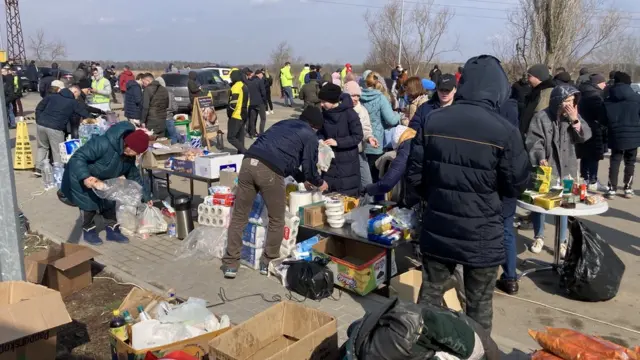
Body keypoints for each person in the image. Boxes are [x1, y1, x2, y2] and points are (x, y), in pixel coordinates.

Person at [407, 55, 530, 332]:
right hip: (482, 235)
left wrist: (438, 196)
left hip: (439, 227)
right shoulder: (505, 131)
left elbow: (414, 175)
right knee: (478, 307)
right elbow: (517, 184)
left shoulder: (433, 120)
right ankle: (477, 351)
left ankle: (420, 347)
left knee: (429, 298)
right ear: (499, 88)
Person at [222, 107, 328, 278]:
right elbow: (309, 168)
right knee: (277, 218)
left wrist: (302, 179)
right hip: (269, 172)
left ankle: (230, 264)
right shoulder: (310, 135)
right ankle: (268, 261)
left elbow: (289, 161)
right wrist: (319, 182)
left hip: (248, 162)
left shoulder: (283, 123)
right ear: (315, 126)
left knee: (239, 216)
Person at [526, 84, 592, 255]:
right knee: (542, 203)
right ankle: (539, 235)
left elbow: (585, 136)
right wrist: (540, 156)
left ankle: (562, 240)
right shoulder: (541, 117)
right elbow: (534, 140)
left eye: (573, 101)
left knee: (566, 203)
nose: (570, 105)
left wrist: (575, 120)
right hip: (547, 168)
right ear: (557, 101)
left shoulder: (573, 116)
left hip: (568, 168)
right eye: (567, 101)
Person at [60, 122, 151, 245]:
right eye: (137, 152)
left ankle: (113, 231)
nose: (138, 155)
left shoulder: (128, 156)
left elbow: (133, 175)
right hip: (80, 176)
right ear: (129, 146)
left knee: (109, 201)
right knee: (89, 205)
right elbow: (78, 157)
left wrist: (145, 196)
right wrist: (85, 177)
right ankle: (89, 231)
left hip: (102, 180)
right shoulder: (103, 143)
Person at [318, 83, 363, 196]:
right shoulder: (324, 114)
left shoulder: (349, 113)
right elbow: (320, 131)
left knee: (346, 195)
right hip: (329, 160)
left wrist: (338, 142)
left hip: (347, 162)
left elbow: (357, 136)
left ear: (333, 101)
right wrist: (320, 140)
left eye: (324, 101)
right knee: (329, 197)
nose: (321, 104)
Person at [34, 87, 91, 176]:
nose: (77, 97)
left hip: (41, 125)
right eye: (77, 95)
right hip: (56, 128)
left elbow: (39, 108)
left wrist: (39, 120)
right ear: (74, 92)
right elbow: (84, 113)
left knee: (42, 147)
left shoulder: (51, 97)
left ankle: (38, 168)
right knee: (57, 150)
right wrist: (91, 118)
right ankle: (58, 172)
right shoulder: (73, 102)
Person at [602, 71, 640, 199]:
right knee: (630, 162)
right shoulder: (637, 98)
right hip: (634, 134)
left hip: (615, 133)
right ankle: (628, 188)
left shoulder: (608, 99)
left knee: (615, 160)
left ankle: (611, 188)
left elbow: (603, 119)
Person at [361, 72, 400, 182]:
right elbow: (391, 120)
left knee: (363, 177)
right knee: (375, 177)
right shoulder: (380, 98)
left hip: (361, 141)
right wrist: (398, 115)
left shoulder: (359, 97)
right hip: (376, 142)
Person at [344, 81, 377, 192]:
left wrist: (369, 138)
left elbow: (366, 129)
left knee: (367, 182)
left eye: (358, 96)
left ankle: (368, 206)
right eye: (353, 95)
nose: (356, 98)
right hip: (344, 154)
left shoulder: (362, 111)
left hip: (359, 152)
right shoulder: (340, 110)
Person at [577, 74, 608, 191]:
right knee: (594, 155)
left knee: (585, 154)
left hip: (582, 126)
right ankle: (593, 180)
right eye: (603, 82)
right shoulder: (595, 96)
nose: (605, 85)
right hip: (594, 128)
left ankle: (584, 177)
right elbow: (600, 115)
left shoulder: (582, 92)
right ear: (598, 83)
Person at [520, 63, 555, 138]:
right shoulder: (535, 91)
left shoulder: (547, 93)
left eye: (530, 76)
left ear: (538, 77)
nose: (528, 79)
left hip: (538, 137)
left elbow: (540, 115)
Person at [227, 69, 250, 154]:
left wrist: (229, 113)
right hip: (243, 114)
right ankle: (241, 155)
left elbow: (233, 103)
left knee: (231, 137)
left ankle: (246, 152)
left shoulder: (236, 87)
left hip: (236, 115)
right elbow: (248, 102)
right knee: (240, 138)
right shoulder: (244, 86)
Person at [154, 76, 179, 144]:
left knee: (160, 138)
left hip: (158, 119)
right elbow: (175, 107)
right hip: (169, 117)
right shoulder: (170, 94)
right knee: (173, 135)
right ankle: (175, 148)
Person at [246, 70, 267, 138]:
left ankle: (252, 133)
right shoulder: (260, 81)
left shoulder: (249, 82)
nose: (262, 76)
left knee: (253, 119)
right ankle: (261, 134)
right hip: (260, 102)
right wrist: (264, 100)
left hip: (252, 103)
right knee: (263, 119)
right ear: (259, 74)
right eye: (262, 74)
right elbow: (263, 92)